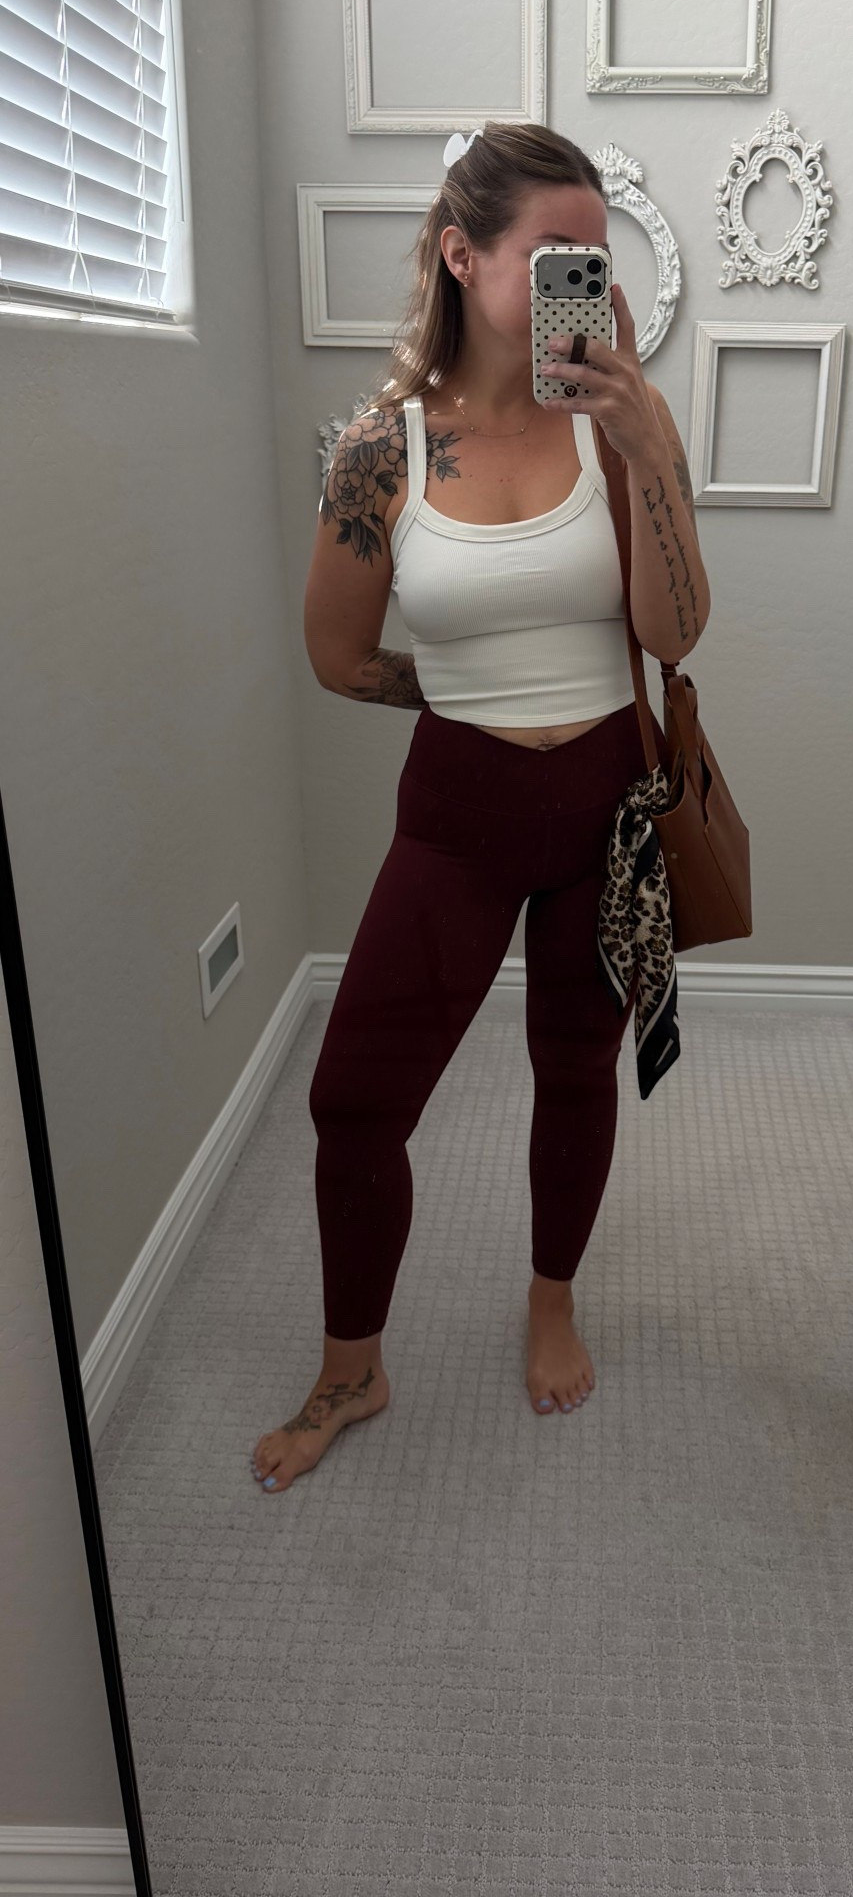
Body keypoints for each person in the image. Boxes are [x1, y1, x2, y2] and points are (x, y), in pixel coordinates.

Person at [250, 121, 711, 1492]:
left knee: (574, 1063)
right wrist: (464, 692)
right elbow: (338, 658)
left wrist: (650, 447)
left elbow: (678, 633)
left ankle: (551, 1297)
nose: (588, 279)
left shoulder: (619, 430)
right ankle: (353, 1368)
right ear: (463, 256)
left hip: (604, 806)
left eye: (599, 257)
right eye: (557, 252)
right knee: (353, 1101)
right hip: (457, 807)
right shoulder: (378, 451)